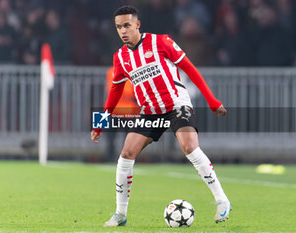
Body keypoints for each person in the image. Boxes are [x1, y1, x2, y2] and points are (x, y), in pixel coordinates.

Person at [90, 6, 231, 227]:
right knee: (126, 153)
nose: (123, 31)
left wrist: (213, 101)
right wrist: (101, 121)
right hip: (150, 111)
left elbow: (190, 69)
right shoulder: (120, 57)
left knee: (189, 147)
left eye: (127, 25)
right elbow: (116, 91)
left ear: (137, 24)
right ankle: (120, 213)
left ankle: (221, 200)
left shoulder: (161, 42)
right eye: (118, 27)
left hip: (176, 104)